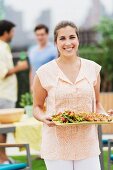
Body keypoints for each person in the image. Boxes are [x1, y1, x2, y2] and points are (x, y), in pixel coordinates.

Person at [32, 21, 110, 170]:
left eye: (72, 37)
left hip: (87, 144)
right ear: (55, 42)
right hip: (57, 145)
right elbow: (36, 107)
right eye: (62, 38)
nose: (68, 43)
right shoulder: (43, 73)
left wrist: (104, 116)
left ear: (78, 40)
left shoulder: (93, 69)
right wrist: (43, 117)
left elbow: (97, 104)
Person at [0, 20, 28, 164]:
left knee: (3, 129)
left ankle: (3, 157)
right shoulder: (1, 48)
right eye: (12, 32)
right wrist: (20, 67)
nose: (13, 34)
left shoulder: (5, 47)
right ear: (5, 32)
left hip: (6, 94)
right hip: (3, 94)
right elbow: (3, 73)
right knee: (2, 129)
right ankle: (2, 158)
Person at [28, 24, 57, 90]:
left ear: (47, 34)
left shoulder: (54, 50)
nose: (40, 37)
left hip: (50, 85)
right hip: (36, 86)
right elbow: (32, 69)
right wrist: (31, 86)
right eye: (37, 35)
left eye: (42, 34)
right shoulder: (32, 50)